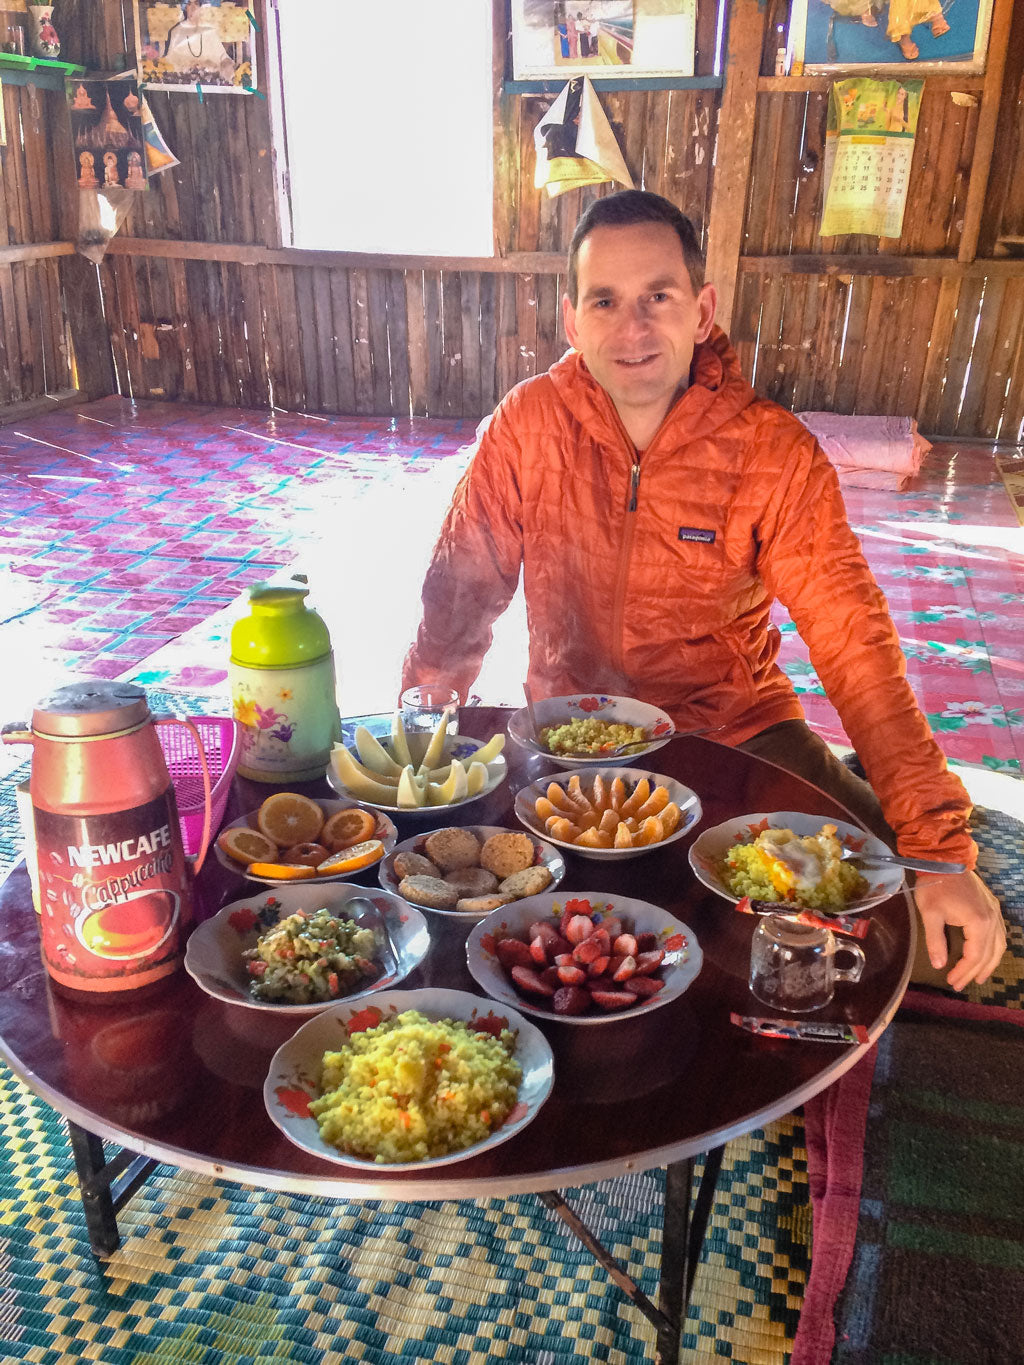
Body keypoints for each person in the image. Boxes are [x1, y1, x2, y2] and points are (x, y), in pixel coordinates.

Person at [402, 189, 1005, 991]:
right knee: (504, 939)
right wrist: (418, 746)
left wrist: (935, 846)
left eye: (659, 296)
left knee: (915, 946)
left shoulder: (772, 452)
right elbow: (458, 593)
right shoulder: (528, 426)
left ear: (703, 307)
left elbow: (854, 642)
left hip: (739, 735)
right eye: (605, 302)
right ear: (573, 322)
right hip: (569, 749)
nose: (634, 328)